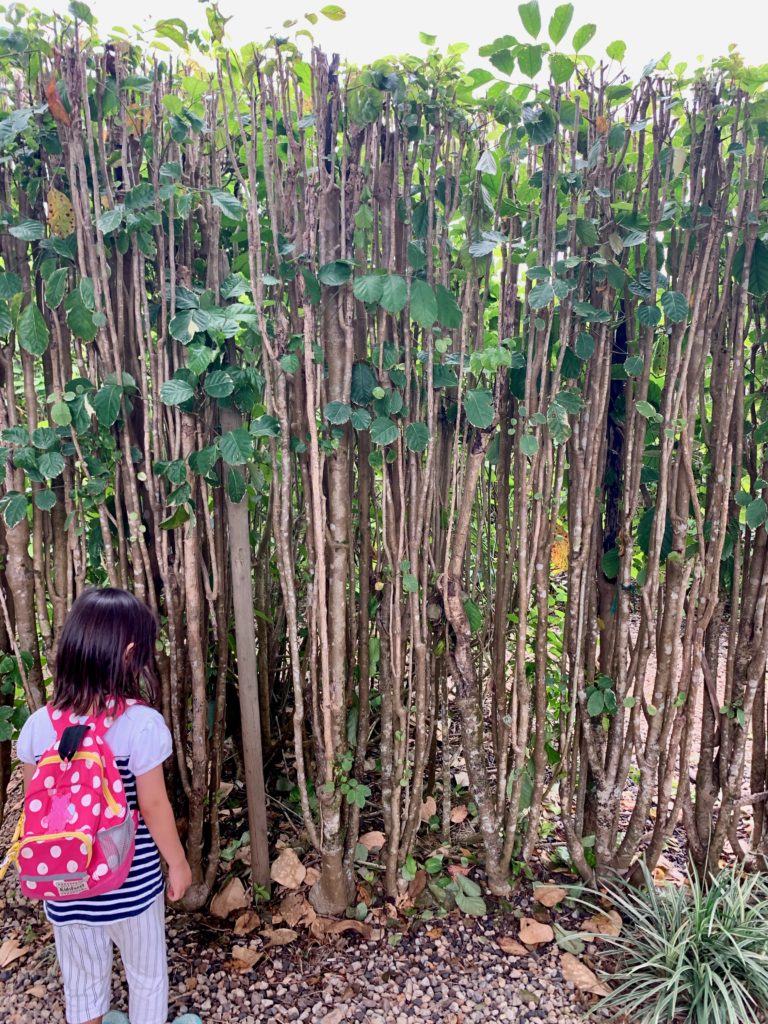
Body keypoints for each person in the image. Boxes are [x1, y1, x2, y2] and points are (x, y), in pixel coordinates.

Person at [16, 587, 192, 1024]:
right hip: (128, 888)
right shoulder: (141, 726)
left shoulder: (39, 728)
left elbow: (35, 807)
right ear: (131, 654)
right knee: (147, 977)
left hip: (65, 887)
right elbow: (152, 807)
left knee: (83, 985)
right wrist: (178, 864)